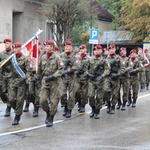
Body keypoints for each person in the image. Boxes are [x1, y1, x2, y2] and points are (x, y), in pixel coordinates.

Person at [37, 40, 62, 127]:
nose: (46, 48)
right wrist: (37, 78)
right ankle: (48, 112)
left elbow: (61, 70)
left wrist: (53, 76)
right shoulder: (43, 57)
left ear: (52, 47)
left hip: (54, 81)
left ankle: (51, 117)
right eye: (46, 46)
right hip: (45, 80)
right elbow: (40, 69)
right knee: (42, 100)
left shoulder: (57, 58)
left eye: (48, 46)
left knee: (54, 101)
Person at [9, 42, 30, 125]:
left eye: (16, 48)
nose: (15, 49)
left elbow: (29, 71)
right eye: (13, 48)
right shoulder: (11, 58)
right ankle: (17, 110)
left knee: (19, 99)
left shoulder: (25, 59)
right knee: (11, 99)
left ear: (20, 48)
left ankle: (17, 116)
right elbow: (4, 63)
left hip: (21, 81)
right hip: (12, 81)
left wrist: (24, 78)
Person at [59, 40, 80, 118]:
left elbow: (77, 66)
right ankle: (65, 106)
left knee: (71, 95)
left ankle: (69, 110)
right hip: (63, 78)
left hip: (71, 78)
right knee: (62, 94)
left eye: (68, 46)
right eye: (65, 46)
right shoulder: (61, 56)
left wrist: (68, 70)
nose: (66, 47)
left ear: (71, 47)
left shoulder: (75, 57)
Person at [88, 44, 110, 119]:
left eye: (98, 50)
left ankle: (97, 111)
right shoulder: (90, 59)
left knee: (99, 97)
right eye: (95, 50)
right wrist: (88, 74)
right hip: (92, 80)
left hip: (100, 81)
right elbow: (85, 69)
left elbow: (107, 69)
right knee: (90, 95)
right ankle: (93, 109)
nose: (96, 51)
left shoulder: (104, 60)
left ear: (101, 51)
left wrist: (102, 76)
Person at [23, 41, 42, 117]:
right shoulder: (31, 54)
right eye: (38, 45)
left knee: (37, 94)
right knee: (30, 92)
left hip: (38, 77)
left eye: (40, 46)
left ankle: (36, 109)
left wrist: (39, 77)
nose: (39, 47)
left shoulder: (42, 56)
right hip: (30, 76)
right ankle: (27, 104)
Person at [105, 43, 125, 114]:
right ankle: (108, 104)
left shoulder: (118, 58)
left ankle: (113, 106)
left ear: (114, 49)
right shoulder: (106, 58)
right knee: (106, 90)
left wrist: (118, 74)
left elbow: (122, 68)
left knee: (115, 93)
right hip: (108, 77)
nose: (111, 50)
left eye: (112, 49)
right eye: (110, 49)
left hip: (115, 77)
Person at [75, 44, 89, 113]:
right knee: (77, 91)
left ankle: (83, 105)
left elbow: (90, 68)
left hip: (85, 78)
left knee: (84, 93)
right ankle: (79, 102)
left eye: (83, 49)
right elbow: (73, 66)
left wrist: (87, 73)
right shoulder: (77, 57)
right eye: (80, 49)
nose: (81, 50)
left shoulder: (88, 58)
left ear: (85, 49)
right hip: (77, 78)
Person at [0, 38, 13, 117]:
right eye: (5, 43)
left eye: (7, 43)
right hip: (3, 76)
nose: (6, 45)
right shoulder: (2, 53)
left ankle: (8, 108)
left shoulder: (13, 53)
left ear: (11, 44)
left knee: (11, 93)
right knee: (3, 92)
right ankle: (8, 102)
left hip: (12, 76)